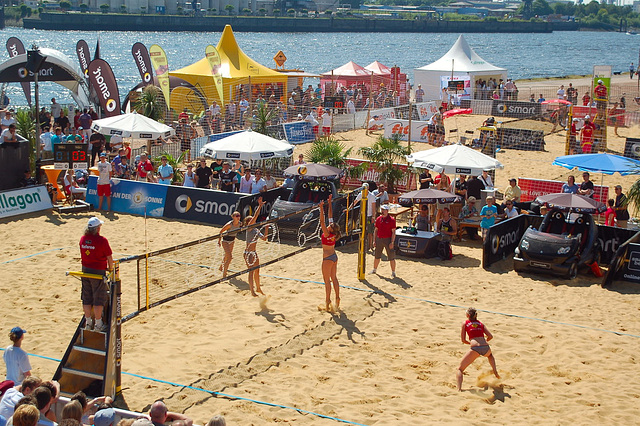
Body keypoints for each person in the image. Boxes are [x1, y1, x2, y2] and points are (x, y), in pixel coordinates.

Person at [79, 217, 113, 332]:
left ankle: (88, 323)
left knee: (86, 298)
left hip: (85, 271)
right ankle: (98, 324)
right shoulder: (102, 240)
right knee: (98, 299)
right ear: (97, 229)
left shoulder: (83, 239)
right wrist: (111, 269)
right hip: (98, 272)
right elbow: (109, 257)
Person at [456, 307, 499, 392]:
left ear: (467, 315)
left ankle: (459, 389)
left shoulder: (465, 323)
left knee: (460, 369)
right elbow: (490, 336)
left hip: (475, 348)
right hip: (486, 347)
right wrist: (485, 341)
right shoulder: (480, 323)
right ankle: (495, 371)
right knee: (490, 356)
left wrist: (470, 343)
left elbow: (463, 340)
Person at [319, 195, 340, 312]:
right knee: (334, 279)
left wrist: (321, 208)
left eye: (329, 225)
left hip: (327, 259)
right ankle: (337, 298)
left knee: (327, 282)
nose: (328, 224)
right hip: (334, 257)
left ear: (331, 229)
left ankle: (328, 301)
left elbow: (322, 220)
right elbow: (330, 216)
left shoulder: (327, 233)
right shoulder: (333, 233)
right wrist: (330, 203)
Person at [243, 198, 268, 297]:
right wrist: (260, 206)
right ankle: (252, 291)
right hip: (248, 253)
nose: (252, 221)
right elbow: (255, 216)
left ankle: (258, 288)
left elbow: (265, 239)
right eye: (250, 221)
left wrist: (266, 229)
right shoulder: (248, 229)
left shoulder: (256, 230)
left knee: (257, 270)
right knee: (251, 272)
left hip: (254, 252)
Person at [371, 205, 396, 277]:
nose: (382, 211)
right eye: (382, 209)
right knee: (377, 255)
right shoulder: (378, 219)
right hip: (379, 239)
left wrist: (392, 242)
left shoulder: (391, 220)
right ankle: (374, 269)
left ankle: (393, 272)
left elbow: (393, 232)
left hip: (388, 239)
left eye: (384, 210)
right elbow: (376, 230)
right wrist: (374, 240)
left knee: (391, 256)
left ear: (387, 211)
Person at [218, 211, 242, 278]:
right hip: (225, 240)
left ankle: (221, 267)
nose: (238, 217)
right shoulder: (229, 224)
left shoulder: (240, 223)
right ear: (233, 217)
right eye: (237, 216)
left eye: (239, 215)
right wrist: (219, 241)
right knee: (230, 257)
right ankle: (224, 274)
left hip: (232, 240)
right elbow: (221, 232)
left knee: (227, 255)